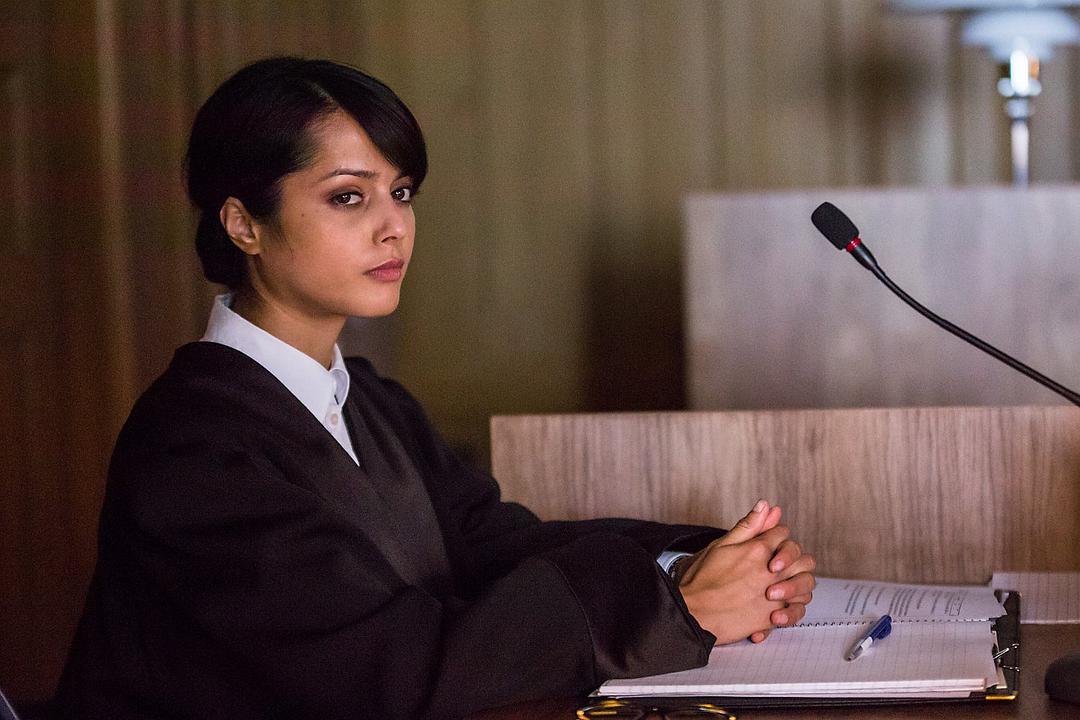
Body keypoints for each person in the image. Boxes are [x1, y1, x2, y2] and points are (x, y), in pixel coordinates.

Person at [56, 57, 815, 720]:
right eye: (348, 197)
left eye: (402, 192)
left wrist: (693, 563)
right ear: (243, 224)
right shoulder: (193, 447)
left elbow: (490, 546)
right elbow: (388, 671)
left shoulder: (368, 400)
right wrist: (672, 607)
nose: (394, 226)